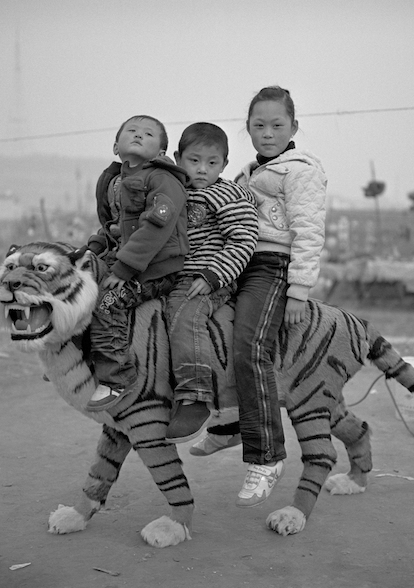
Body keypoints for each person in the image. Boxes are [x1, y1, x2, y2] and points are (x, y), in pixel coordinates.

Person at [231, 86, 327, 507]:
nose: (267, 133)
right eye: (258, 125)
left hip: (273, 266)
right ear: (247, 128)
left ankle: (266, 456)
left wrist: (299, 291)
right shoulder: (246, 172)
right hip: (238, 264)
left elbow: (308, 230)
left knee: (250, 348)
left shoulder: (301, 171)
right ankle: (221, 427)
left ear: (293, 127)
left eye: (277, 125)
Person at [85, 115, 189, 412]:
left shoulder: (163, 179)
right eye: (131, 131)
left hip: (157, 269)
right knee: (76, 285)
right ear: (116, 146)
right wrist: (93, 249)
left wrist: (125, 267)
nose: (138, 135)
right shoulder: (115, 182)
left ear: (161, 153)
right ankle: (78, 357)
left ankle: (117, 377)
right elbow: (114, 226)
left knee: (108, 301)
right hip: (123, 259)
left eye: (148, 134)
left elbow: (157, 225)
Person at [165, 123, 258, 443]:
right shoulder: (173, 192)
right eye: (194, 160)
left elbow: (243, 239)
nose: (202, 169)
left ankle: (195, 396)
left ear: (224, 165)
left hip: (208, 277)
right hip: (174, 275)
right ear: (178, 158)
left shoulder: (226, 194)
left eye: (212, 163)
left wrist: (213, 276)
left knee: (185, 316)